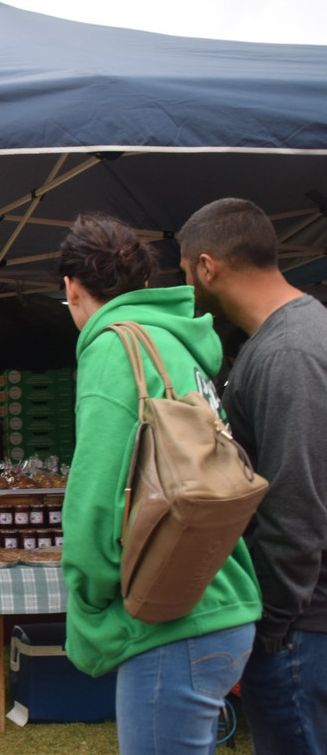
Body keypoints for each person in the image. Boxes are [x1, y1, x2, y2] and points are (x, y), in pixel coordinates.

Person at [58, 213, 261, 755]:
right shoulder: (176, 343)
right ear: (143, 282)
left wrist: (89, 592)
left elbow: (96, 499)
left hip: (170, 619)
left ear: (72, 288)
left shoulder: (113, 349)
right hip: (224, 597)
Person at [178, 197, 327, 754]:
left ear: (208, 267)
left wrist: (269, 631)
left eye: (185, 271)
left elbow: (297, 506)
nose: (185, 285)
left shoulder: (290, 351)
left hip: (301, 631)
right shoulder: (294, 335)